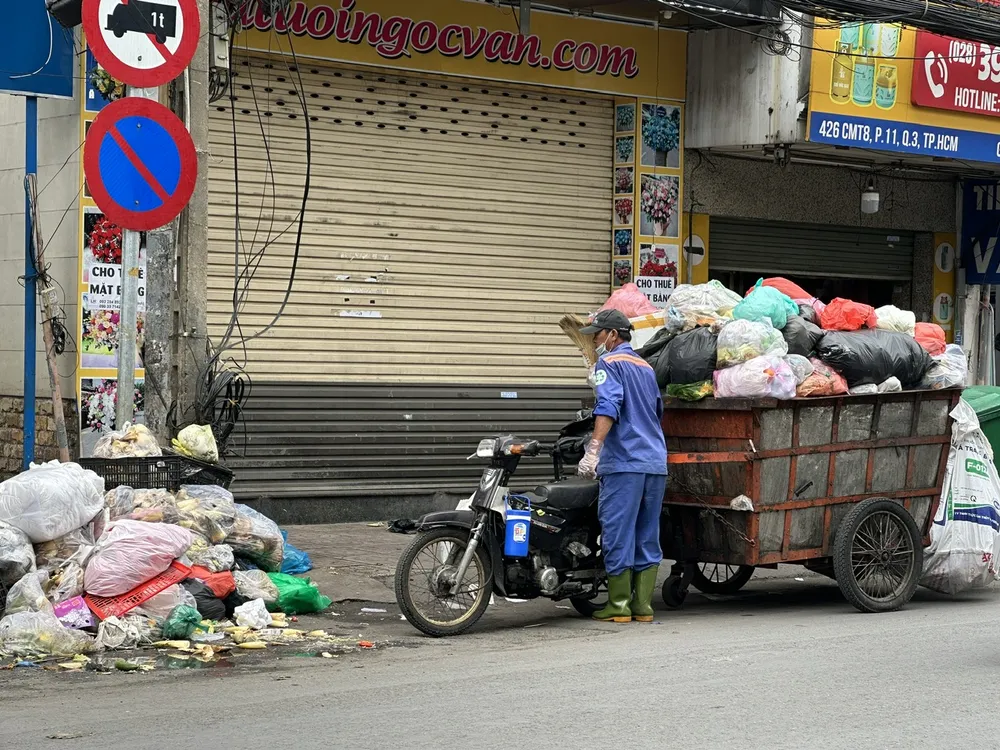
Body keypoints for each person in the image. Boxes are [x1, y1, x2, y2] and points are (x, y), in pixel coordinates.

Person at [577, 310, 668, 623]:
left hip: (625, 463)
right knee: (647, 532)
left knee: (617, 530)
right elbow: (657, 410)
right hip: (655, 461)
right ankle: (643, 606)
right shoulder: (645, 366)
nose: (595, 340)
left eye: (598, 335)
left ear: (613, 335)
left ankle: (618, 605)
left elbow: (608, 406)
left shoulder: (609, 363)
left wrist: (593, 450)